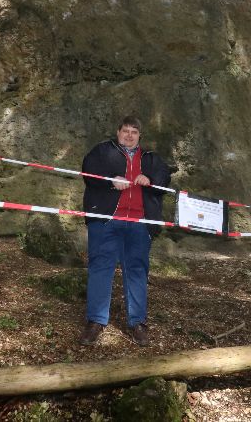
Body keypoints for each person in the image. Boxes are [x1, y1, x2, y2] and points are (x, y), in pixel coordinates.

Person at [79, 116, 170, 347]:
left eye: (134, 132)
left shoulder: (150, 158)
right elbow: (88, 171)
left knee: (137, 271)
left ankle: (137, 322)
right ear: (118, 132)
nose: (129, 135)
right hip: (106, 220)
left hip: (139, 223)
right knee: (100, 268)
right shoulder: (102, 151)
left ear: (140, 136)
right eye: (125, 131)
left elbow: (165, 177)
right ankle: (96, 321)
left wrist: (149, 178)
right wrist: (111, 180)